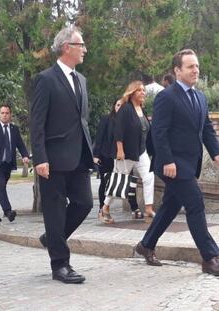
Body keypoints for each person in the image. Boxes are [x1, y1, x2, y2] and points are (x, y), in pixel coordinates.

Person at [135, 49, 219, 276]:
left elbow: (206, 130)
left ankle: (146, 245)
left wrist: (216, 154)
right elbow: (159, 133)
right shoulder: (167, 96)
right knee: (195, 202)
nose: (196, 70)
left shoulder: (200, 97)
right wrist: (169, 160)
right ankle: (210, 257)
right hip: (173, 164)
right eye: (190, 67)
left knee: (171, 206)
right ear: (177, 70)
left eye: (197, 66)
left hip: (191, 164)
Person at [30, 26, 94, 284]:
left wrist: (92, 150)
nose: (85, 50)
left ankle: (52, 238)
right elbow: (37, 123)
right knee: (55, 212)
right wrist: (40, 158)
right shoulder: (46, 79)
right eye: (81, 45)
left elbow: (82, 120)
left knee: (85, 203)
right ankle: (60, 265)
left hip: (79, 156)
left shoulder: (82, 80)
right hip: (53, 158)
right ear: (67, 47)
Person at [100, 81, 156, 224]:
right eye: (139, 90)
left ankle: (148, 208)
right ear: (132, 93)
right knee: (118, 181)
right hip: (126, 152)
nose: (143, 92)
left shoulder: (141, 109)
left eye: (144, 90)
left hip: (141, 151)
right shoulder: (126, 109)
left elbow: (145, 130)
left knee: (149, 177)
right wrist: (120, 150)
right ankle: (105, 208)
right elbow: (118, 130)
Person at [0, 104, 29, 223]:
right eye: (2, 113)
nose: (4, 115)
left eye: (7, 113)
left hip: (7, 164)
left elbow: (20, 144)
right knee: (1, 185)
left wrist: (25, 155)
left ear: (10, 115)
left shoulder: (14, 129)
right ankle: (8, 211)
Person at [93, 99, 140, 218]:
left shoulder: (130, 121)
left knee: (127, 181)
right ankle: (101, 209)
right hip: (107, 156)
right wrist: (96, 155)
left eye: (123, 106)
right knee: (105, 182)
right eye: (118, 105)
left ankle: (134, 207)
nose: (120, 108)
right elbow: (99, 137)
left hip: (124, 157)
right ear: (114, 106)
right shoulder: (106, 119)